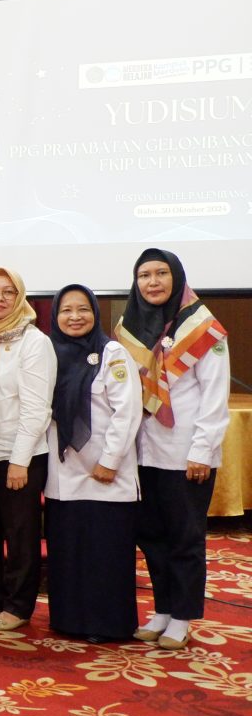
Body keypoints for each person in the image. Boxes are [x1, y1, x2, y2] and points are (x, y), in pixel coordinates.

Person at [116, 248, 230, 650]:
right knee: (151, 536)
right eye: (144, 275)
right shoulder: (128, 328)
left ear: (176, 277)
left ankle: (182, 616)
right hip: (143, 453)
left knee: (185, 537)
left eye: (161, 273)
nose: (153, 282)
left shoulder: (204, 328)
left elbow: (215, 396)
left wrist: (203, 450)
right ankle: (162, 610)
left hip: (186, 455)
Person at [45, 284, 142, 643]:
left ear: (95, 313)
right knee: (69, 551)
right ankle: (69, 619)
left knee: (105, 552)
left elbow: (127, 411)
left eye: (83, 309)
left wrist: (110, 460)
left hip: (105, 473)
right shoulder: (49, 354)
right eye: (66, 310)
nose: (75, 317)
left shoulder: (111, 352)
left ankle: (108, 623)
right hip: (64, 474)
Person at [0, 267, 56, 632]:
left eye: (8, 292)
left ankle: (18, 606)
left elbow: (37, 408)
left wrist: (20, 461)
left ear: (20, 298)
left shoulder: (34, 342)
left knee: (20, 535)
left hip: (19, 455)